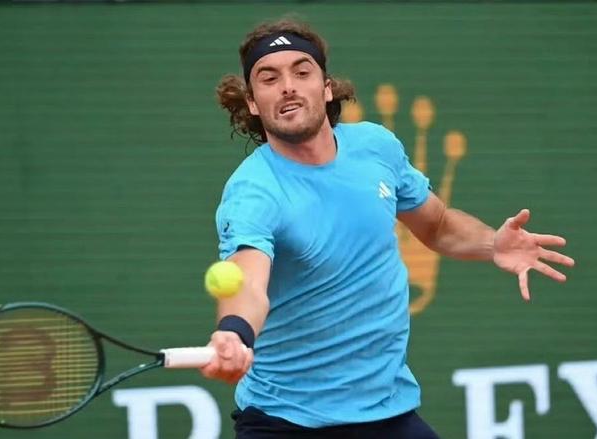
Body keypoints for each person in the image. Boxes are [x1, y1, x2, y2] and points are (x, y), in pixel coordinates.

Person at [200, 18, 574, 439]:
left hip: (387, 412)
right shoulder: (253, 191)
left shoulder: (375, 146)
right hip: (287, 423)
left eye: (302, 72)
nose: (288, 86)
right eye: (269, 78)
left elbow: (437, 225)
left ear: (326, 88)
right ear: (252, 103)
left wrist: (492, 243)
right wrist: (235, 332)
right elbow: (248, 279)